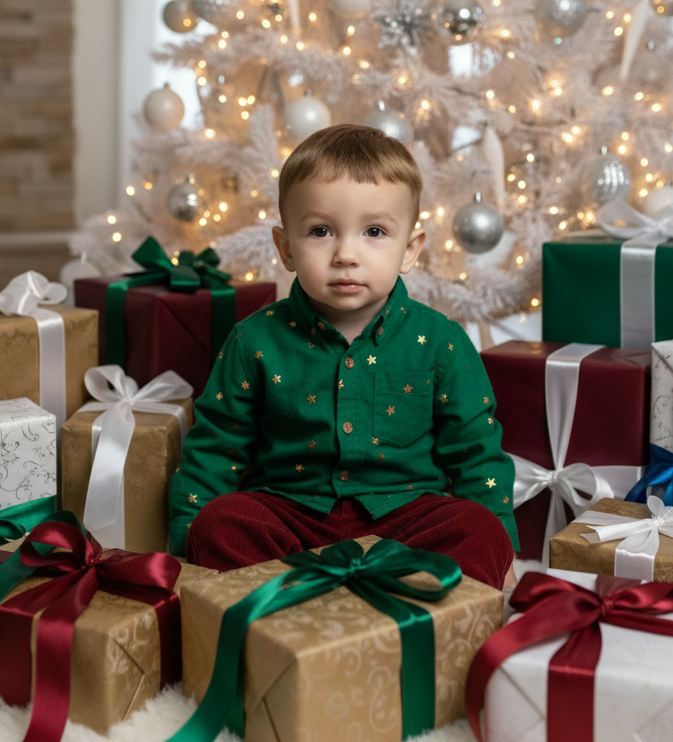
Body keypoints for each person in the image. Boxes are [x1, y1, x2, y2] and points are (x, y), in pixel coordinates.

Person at [168, 123, 518, 587]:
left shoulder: (440, 340)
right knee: (221, 523)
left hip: (405, 517)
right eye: (320, 232)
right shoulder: (254, 339)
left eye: (374, 231)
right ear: (286, 247)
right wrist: (185, 540)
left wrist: (503, 548)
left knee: (479, 531)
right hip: (292, 515)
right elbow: (216, 447)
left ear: (410, 249)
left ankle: (393, 615)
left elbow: (476, 452)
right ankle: (306, 623)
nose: (346, 254)